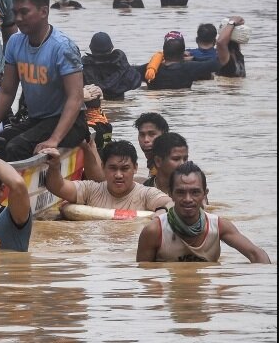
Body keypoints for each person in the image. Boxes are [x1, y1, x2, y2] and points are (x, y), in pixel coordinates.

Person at [0, 0, 89, 161]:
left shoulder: (63, 47)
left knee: (17, 147)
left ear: (44, 11)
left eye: (24, 12)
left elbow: (75, 98)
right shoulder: (15, 43)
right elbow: (7, 92)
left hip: (70, 122)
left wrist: (54, 140)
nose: (18, 18)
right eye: (15, 13)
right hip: (37, 120)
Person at [137, 162, 271, 263]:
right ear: (170, 194)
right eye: (181, 192)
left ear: (204, 194)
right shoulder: (154, 231)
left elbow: (257, 255)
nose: (188, 199)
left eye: (195, 192)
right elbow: (144, 277)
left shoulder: (219, 226)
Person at [41, 140, 173, 212]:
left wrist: (161, 213)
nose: (118, 175)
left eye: (125, 168)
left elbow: (169, 203)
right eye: (113, 168)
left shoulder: (146, 194)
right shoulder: (91, 190)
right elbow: (58, 187)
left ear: (136, 168)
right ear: (103, 167)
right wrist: (54, 166)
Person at [139, 28, 231, 90]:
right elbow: (222, 60)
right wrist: (231, 23)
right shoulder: (190, 68)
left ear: (163, 51)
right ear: (183, 51)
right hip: (182, 106)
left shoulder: (147, 70)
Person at [81, 32, 141, 100]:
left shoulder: (85, 66)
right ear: (111, 47)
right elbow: (136, 80)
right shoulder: (121, 64)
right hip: (120, 106)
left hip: (96, 106)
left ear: (90, 48)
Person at [133, 112, 169, 179]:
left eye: (152, 134)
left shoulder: (168, 166)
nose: (146, 140)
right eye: (142, 135)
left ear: (164, 135)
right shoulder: (153, 163)